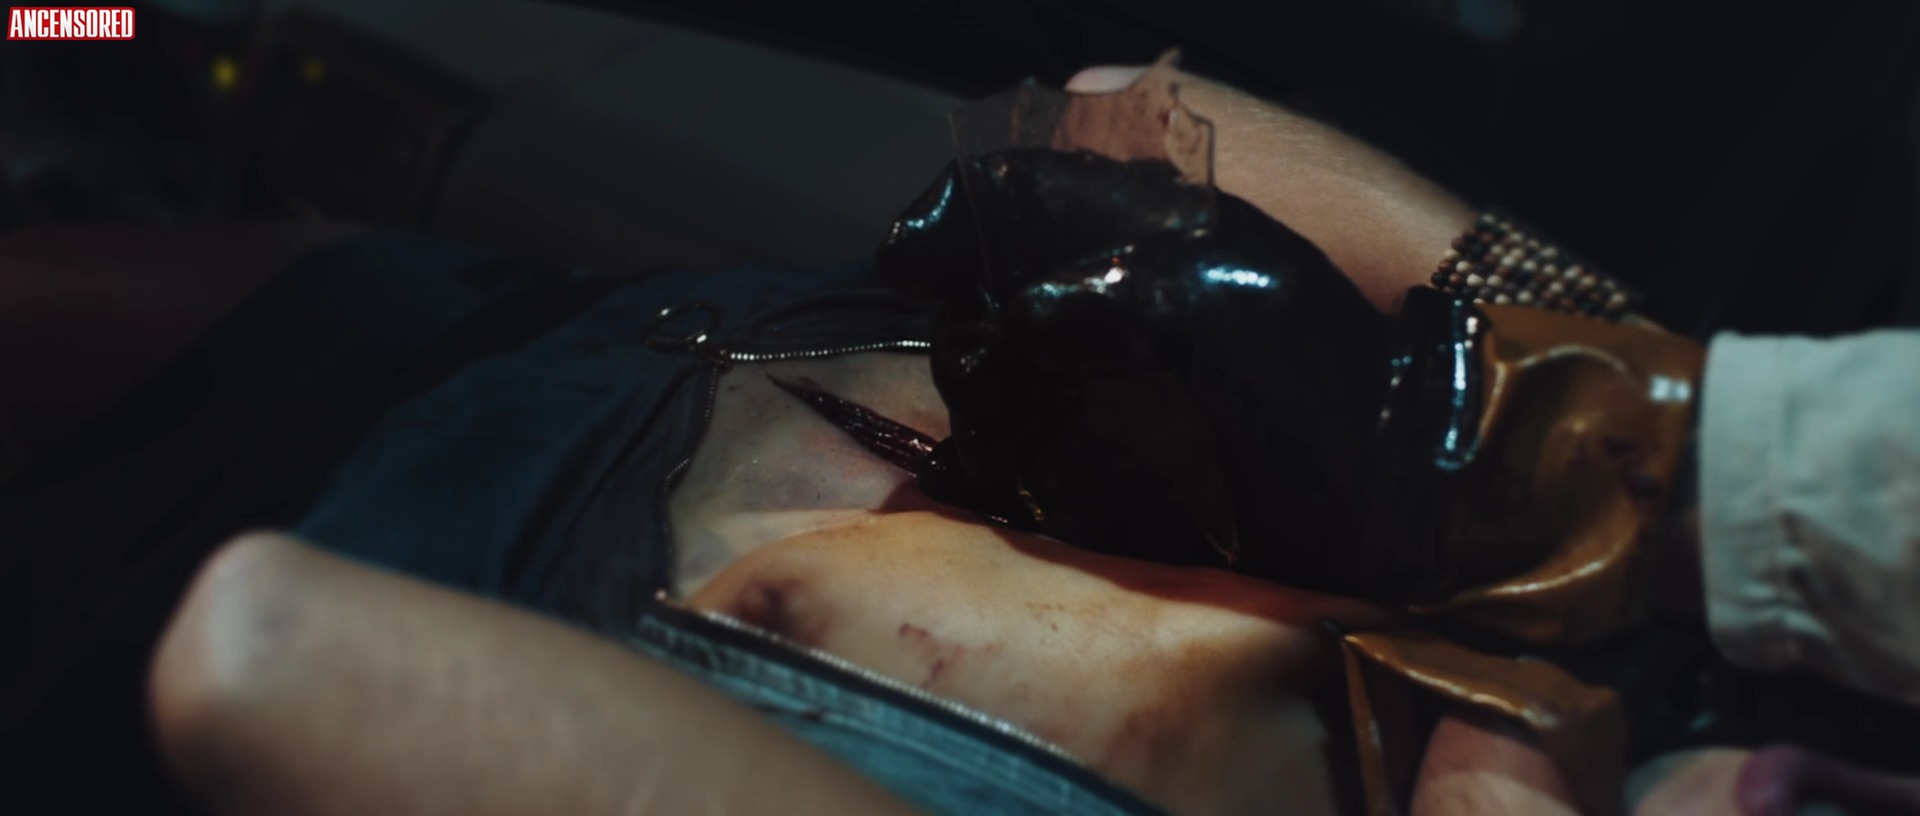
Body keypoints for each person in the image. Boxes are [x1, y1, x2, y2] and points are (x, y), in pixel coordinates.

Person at [42, 64, 1920, 816]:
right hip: (557, 349)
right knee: (103, 64)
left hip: (215, 641)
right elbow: (1122, 111)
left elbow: (266, 654)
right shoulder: (1709, 601)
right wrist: (1489, 427)